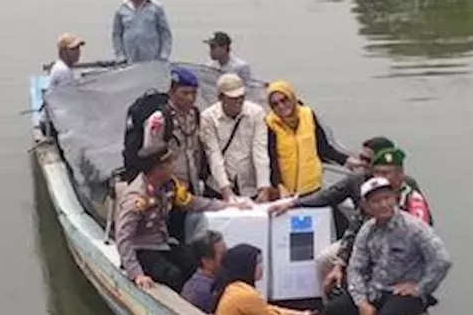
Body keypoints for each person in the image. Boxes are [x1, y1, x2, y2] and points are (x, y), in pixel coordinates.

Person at [270, 138, 430, 292]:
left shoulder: (407, 186)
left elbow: (424, 223)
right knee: (325, 260)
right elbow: (328, 197)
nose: (362, 163)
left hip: (396, 245)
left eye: (367, 160)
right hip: (360, 238)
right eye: (361, 158)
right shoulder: (357, 180)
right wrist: (293, 203)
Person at [325, 177, 452, 315]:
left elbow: (442, 260)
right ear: (366, 206)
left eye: (387, 198)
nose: (384, 204)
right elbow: (356, 268)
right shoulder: (367, 230)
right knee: (336, 309)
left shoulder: (414, 228)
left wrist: (420, 287)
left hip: (404, 292)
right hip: (376, 288)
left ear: (395, 198)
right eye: (376, 201)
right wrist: (362, 302)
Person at [114, 145, 240, 292]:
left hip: (163, 244)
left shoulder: (168, 185)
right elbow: (123, 238)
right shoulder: (137, 199)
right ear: (156, 169)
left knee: (194, 262)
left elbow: (191, 203)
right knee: (172, 275)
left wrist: (225, 206)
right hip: (141, 249)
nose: (172, 167)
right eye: (167, 164)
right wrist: (137, 274)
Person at [213, 245, 318, 315]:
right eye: (258, 262)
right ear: (246, 266)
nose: (261, 266)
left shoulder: (234, 288)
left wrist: (299, 314)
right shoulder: (245, 295)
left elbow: (268, 309)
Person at [264, 80, 362, 198]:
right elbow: (271, 160)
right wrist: (279, 185)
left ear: (292, 98)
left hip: (312, 188)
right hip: (285, 193)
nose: (281, 106)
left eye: (284, 100)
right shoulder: (270, 125)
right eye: (275, 104)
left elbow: (323, 148)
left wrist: (346, 160)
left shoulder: (308, 115)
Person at [143, 67, 207, 232]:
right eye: (185, 93)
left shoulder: (194, 115)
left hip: (191, 184)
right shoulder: (159, 120)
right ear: (171, 92)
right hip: (168, 187)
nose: (190, 98)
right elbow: (150, 156)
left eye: (193, 93)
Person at [200, 73, 271, 203]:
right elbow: (213, 154)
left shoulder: (256, 113)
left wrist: (264, 187)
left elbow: (260, 151)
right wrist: (225, 190)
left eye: (241, 97)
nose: (238, 101)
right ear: (221, 97)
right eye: (233, 98)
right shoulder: (208, 117)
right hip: (219, 186)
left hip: (250, 184)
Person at [112, 0, 172, 64]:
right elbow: (117, 35)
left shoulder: (156, 7)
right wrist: (120, 56)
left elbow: (165, 33)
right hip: (130, 58)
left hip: (152, 58)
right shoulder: (121, 9)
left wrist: (164, 55)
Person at [181, 230, 227, 313]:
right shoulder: (203, 292)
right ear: (206, 261)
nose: (228, 258)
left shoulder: (199, 283)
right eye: (223, 254)